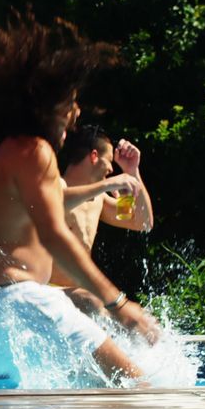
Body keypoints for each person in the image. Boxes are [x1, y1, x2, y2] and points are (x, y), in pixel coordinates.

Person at [0, 12, 159, 389]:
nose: (76, 111)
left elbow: (141, 221)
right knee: (137, 385)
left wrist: (131, 177)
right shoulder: (32, 151)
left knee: (73, 399)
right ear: (46, 104)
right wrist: (120, 306)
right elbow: (54, 234)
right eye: (71, 101)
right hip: (20, 302)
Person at [50, 125, 155, 313]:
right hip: (45, 290)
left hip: (77, 295)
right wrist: (109, 184)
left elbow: (142, 222)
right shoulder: (57, 184)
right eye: (108, 161)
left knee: (135, 315)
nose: (111, 168)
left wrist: (132, 170)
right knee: (94, 303)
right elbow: (54, 202)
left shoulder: (98, 199)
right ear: (94, 156)